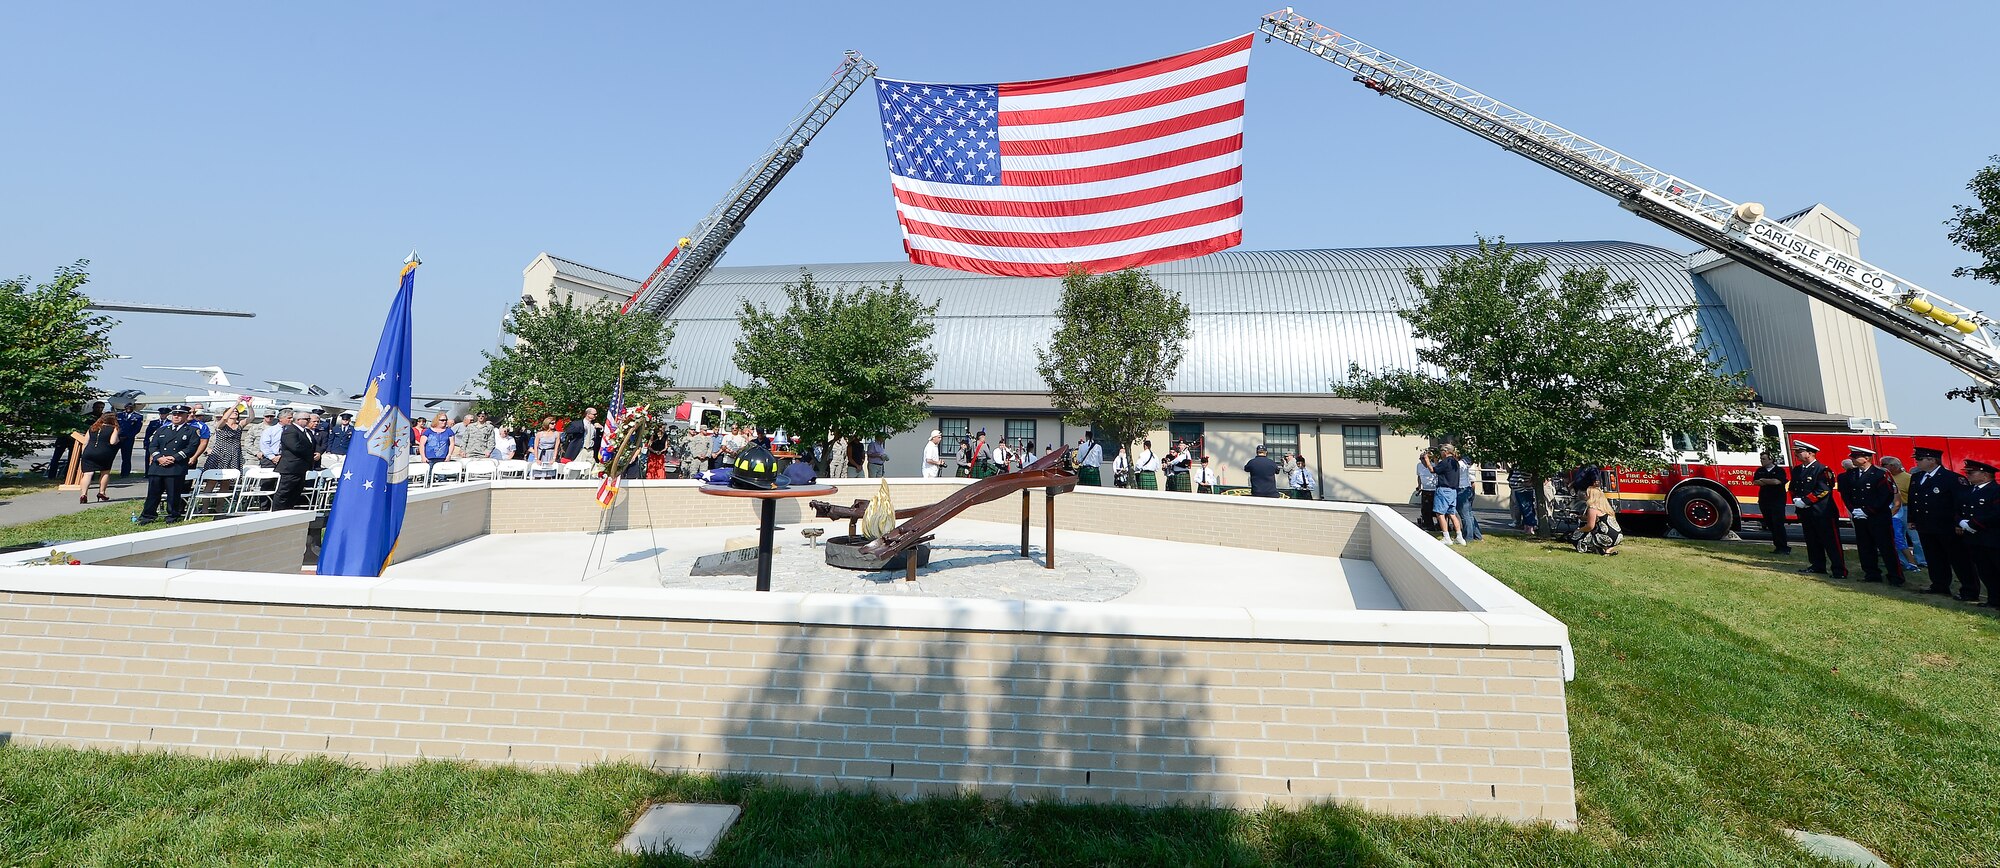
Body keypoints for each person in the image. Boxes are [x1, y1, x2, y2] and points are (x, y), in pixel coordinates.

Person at [1908, 446, 1973, 599]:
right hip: (1926, 525)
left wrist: (1959, 523)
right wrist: (1912, 519)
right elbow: (1913, 499)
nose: (1917, 462)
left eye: (1920, 459)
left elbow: (1961, 503)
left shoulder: (1952, 478)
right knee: (1934, 557)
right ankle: (1939, 584)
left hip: (1947, 526)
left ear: (1932, 460)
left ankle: (1969, 589)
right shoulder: (1917, 477)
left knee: (1959, 559)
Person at [1836, 446, 1903, 586]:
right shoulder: (1851, 474)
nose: (1852, 459)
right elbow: (1847, 495)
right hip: (1859, 516)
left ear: (1866, 458)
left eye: (1855, 457)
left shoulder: (1880, 473)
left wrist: (1868, 511)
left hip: (1878, 516)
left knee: (1886, 547)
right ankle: (1871, 573)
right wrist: (1854, 510)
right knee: (1865, 546)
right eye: (1852, 456)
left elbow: (1886, 495)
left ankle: (1895, 576)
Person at [1788, 440, 1846, 579]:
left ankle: (1839, 570)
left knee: (1831, 542)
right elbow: (1792, 487)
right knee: (1812, 541)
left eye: (1799, 451)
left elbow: (1824, 489)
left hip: (1823, 512)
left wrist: (1806, 501)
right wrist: (1797, 500)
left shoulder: (1822, 470)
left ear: (1810, 453)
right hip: (1806, 512)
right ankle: (1817, 565)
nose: (1796, 454)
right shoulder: (1797, 470)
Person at [138, 406, 201, 524]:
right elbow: (153, 446)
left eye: (180, 414)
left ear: (186, 416)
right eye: (174, 414)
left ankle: (172, 516)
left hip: (175, 467)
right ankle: (147, 516)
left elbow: (191, 448)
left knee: (173, 494)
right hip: (158, 466)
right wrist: (159, 458)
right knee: (153, 494)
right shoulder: (162, 430)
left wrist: (174, 458)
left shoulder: (191, 431)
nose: (176, 416)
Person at [1954, 458, 2000, 607]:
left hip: (1992, 538)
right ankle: (1993, 599)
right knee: (1985, 571)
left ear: (1985, 475)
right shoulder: (1969, 490)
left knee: (1996, 568)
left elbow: (1996, 514)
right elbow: (1958, 508)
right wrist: (1961, 522)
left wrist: (1974, 524)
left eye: (1971, 472)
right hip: (1974, 538)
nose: (1968, 475)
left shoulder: (1995, 491)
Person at [1880, 455, 1923, 572]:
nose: (1881, 467)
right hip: (1894, 510)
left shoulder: (1908, 478)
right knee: (1898, 537)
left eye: (1884, 465)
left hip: (1906, 508)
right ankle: (1902, 561)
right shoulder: (1885, 478)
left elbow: (1915, 496)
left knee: (1915, 537)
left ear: (1893, 466)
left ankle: (1921, 560)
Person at [1570, 469, 1623, 555]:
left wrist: (1579, 530)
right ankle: (1607, 549)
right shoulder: (1605, 507)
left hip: (1607, 538)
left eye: (1587, 494)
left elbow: (1590, 526)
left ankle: (1591, 547)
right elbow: (1600, 519)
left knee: (1577, 536)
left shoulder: (1592, 508)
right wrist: (1581, 517)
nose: (1585, 495)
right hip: (1617, 537)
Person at [273, 410, 316, 510]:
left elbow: (313, 445)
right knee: (285, 492)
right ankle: (277, 513)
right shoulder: (290, 430)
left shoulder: (307, 432)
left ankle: (289, 511)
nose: (309, 421)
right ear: (298, 420)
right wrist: (310, 453)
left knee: (296, 492)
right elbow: (295, 447)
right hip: (291, 468)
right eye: (307, 419)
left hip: (301, 468)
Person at [75, 412, 121, 504]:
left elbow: (85, 442)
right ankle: (102, 492)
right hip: (104, 453)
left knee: (87, 474)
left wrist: (83, 453)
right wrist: (118, 440)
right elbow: (113, 441)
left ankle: (83, 494)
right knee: (105, 472)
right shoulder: (114, 428)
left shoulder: (92, 427)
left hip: (89, 452)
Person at [1752, 452, 1791, 554]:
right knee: (1770, 524)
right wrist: (1768, 481)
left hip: (1777, 501)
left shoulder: (1779, 470)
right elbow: (1756, 482)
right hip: (1764, 501)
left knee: (1778, 524)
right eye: (1761, 459)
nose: (1761, 461)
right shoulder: (1760, 471)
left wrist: (1763, 480)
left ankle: (1783, 547)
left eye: (1764, 459)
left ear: (1771, 460)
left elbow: (1777, 482)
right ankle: (1777, 547)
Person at [1431, 444, 1466, 545]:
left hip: (1444, 490)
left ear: (1446, 451)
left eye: (1441, 451)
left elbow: (1433, 470)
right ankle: (1459, 537)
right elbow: (1440, 469)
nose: (1441, 453)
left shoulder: (1445, 462)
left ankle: (1446, 537)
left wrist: (1427, 460)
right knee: (1452, 514)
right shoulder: (1455, 462)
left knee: (1440, 514)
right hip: (1453, 491)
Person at [1456, 455, 1484, 541]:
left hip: (1461, 489)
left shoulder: (1459, 464)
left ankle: (1468, 537)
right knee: (1469, 514)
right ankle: (1477, 535)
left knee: (1465, 515)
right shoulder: (1466, 464)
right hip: (1468, 488)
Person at [1506, 463, 1538, 536]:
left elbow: (1533, 475)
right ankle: (1526, 528)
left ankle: (1530, 528)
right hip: (1518, 489)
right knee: (1523, 509)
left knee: (1527, 508)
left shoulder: (1527, 463)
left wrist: (1527, 483)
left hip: (1523, 489)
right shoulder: (1518, 463)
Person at [115, 402, 144, 477]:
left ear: (133, 408)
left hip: (128, 439)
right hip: (117, 438)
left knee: (126, 457)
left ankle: (125, 473)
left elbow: (137, 429)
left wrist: (128, 436)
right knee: (111, 455)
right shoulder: (119, 415)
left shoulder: (138, 416)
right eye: (127, 407)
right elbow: (115, 426)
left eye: (130, 407)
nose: (128, 408)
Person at [1416, 448, 1440, 532]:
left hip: (1434, 489)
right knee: (1426, 509)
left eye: (1424, 458)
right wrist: (1419, 486)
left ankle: (1440, 525)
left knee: (1436, 509)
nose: (1422, 460)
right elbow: (1419, 476)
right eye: (1421, 459)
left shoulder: (1434, 465)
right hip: (1425, 489)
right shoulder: (1419, 466)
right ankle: (1429, 525)